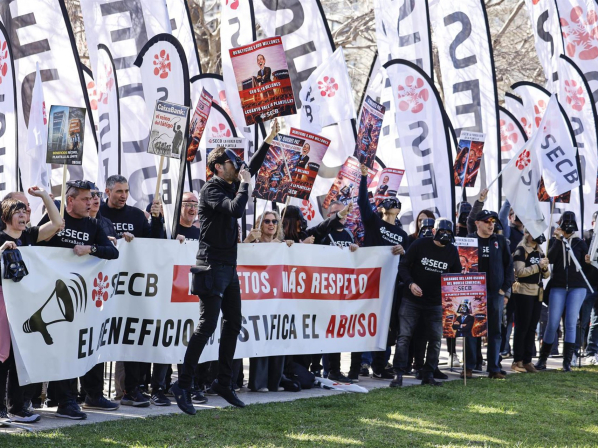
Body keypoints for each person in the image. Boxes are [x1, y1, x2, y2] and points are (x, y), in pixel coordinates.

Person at [172, 120, 281, 415]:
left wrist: (268, 140)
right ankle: (183, 384)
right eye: (233, 163)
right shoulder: (211, 189)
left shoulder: (231, 183)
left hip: (228, 267)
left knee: (233, 322)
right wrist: (245, 184)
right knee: (207, 326)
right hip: (210, 266)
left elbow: (251, 167)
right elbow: (235, 210)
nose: (238, 167)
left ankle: (224, 382)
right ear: (219, 167)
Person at [38, 180, 119, 418]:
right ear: (70, 200)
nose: (90, 203)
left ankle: (91, 395)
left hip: (84, 299)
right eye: (84, 199)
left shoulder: (93, 224)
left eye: (91, 198)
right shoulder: (56, 220)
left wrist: (90, 249)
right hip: (54, 297)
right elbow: (34, 244)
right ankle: (65, 401)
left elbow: (112, 252)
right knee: (63, 349)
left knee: (87, 344)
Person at [100, 174, 164, 407]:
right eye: (119, 191)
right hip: (103, 287)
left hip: (131, 287)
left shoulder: (136, 215)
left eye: (126, 191)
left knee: (132, 335)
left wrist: (157, 219)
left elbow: (154, 243)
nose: (124, 195)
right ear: (107, 192)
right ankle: (90, 392)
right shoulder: (98, 213)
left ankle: (132, 389)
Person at [0, 187, 61, 423]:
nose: (24, 215)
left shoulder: (28, 235)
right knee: (3, 356)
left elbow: (57, 224)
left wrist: (45, 197)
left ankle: (17, 408)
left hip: (25, 304)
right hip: (4, 303)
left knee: (21, 356)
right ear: (6, 217)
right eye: (18, 212)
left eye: (25, 211)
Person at [391, 219, 462, 387]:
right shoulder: (420, 244)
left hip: (435, 302)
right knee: (404, 337)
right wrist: (410, 283)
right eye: (442, 232)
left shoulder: (452, 250)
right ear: (434, 231)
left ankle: (428, 374)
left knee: (436, 339)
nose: (445, 236)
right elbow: (403, 266)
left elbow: (456, 273)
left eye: (448, 233)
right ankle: (398, 374)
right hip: (412, 299)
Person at [354, 163, 408, 381]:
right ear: (382, 208)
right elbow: (362, 202)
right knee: (365, 321)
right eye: (388, 202)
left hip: (390, 285)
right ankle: (361, 363)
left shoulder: (402, 235)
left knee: (386, 325)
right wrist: (364, 178)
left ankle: (381, 365)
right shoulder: (374, 222)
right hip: (370, 281)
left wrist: (403, 251)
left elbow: (406, 261)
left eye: (396, 203)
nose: (392, 204)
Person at [535, 212, 595, 372]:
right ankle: (542, 359)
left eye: (570, 224)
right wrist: (558, 240)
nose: (567, 227)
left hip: (577, 287)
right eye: (565, 223)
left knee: (571, 323)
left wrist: (588, 261)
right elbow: (551, 258)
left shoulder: (580, 243)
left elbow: (586, 268)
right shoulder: (556, 241)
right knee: (552, 322)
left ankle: (567, 361)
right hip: (558, 286)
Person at [463, 209, 514, 379]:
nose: (491, 225)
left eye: (493, 222)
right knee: (471, 330)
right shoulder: (469, 240)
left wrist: (504, 290)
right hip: (473, 293)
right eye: (487, 222)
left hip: (495, 293)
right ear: (477, 223)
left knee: (495, 332)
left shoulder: (500, 240)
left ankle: (494, 368)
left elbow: (509, 266)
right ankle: (469, 367)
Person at [244, 210, 287, 392]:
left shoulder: (282, 246)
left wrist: (290, 247)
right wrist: (248, 241)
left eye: (274, 221)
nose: (271, 224)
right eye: (267, 221)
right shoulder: (254, 244)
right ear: (260, 225)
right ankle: (258, 383)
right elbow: (240, 257)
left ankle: (274, 382)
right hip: (258, 299)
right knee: (260, 338)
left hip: (278, 300)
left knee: (277, 338)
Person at [510, 230, 549, 373]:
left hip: (537, 292)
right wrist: (538, 266)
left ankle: (527, 360)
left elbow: (546, 275)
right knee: (522, 327)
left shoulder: (540, 251)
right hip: (523, 291)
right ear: (528, 234)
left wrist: (544, 268)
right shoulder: (521, 250)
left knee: (532, 327)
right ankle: (517, 360)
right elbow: (519, 272)